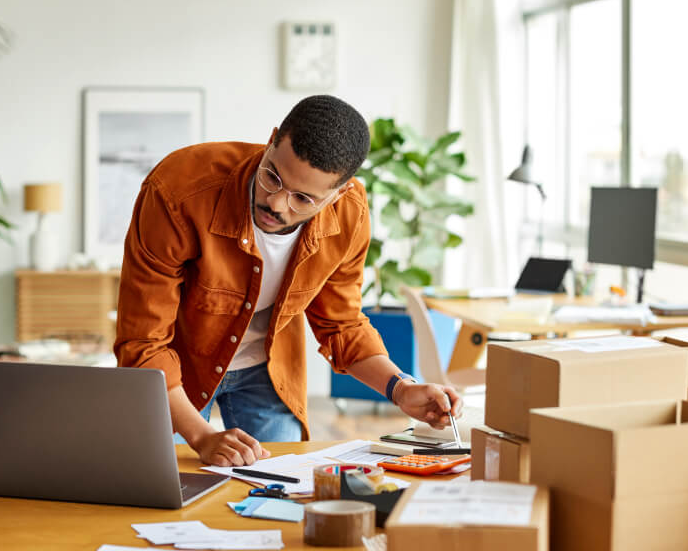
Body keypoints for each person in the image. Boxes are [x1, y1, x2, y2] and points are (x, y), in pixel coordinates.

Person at [115, 95, 462, 467]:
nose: (277, 204)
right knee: (159, 488)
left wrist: (401, 388)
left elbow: (342, 324)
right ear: (273, 140)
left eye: (302, 198)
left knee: (274, 491)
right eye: (272, 177)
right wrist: (201, 436)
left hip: (270, 370)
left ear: (338, 194)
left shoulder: (349, 214)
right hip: (175, 373)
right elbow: (142, 343)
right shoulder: (178, 191)